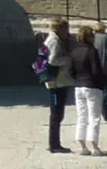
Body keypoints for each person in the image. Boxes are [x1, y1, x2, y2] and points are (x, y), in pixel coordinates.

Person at [69, 26, 107, 157]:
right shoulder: (92, 50)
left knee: (82, 116)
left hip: (78, 86)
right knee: (94, 117)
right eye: (92, 35)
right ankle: (95, 147)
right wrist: (102, 82)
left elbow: (71, 71)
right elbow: (96, 70)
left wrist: (78, 79)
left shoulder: (74, 50)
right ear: (89, 37)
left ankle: (83, 146)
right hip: (92, 85)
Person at [44, 19, 74, 155]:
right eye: (65, 29)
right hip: (57, 83)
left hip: (58, 81)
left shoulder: (53, 39)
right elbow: (53, 60)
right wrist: (68, 59)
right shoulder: (55, 41)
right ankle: (54, 144)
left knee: (57, 114)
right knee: (56, 114)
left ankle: (54, 143)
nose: (67, 32)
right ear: (59, 29)